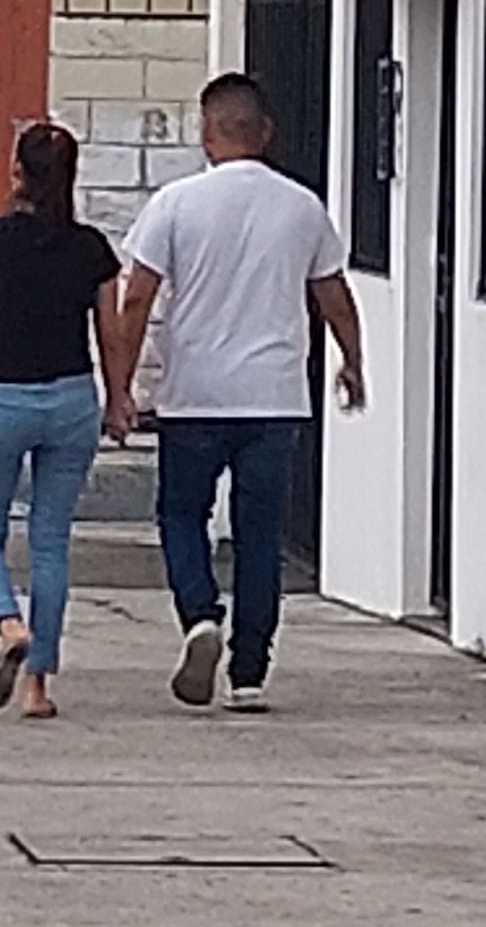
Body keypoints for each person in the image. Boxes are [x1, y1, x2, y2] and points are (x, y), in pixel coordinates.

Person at [115, 73, 366, 713]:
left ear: (205, 133)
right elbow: (333, 295)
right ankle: (249, 671)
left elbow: (138, 294)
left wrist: (118, 383)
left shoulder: (175, 204)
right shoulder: (302, 206)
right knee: (260, 534)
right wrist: (353, 362)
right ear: (266, 133)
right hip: (274, 398)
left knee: (180, 515)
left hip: (194, 395)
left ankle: (200, 614)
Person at [0, 121, 133, 721]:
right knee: (51, 542)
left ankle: (7, 623)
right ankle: (38, 688)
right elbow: (110, 333)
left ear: (15, 172)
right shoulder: (91, 250)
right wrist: (117, 398)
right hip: (70, 399)